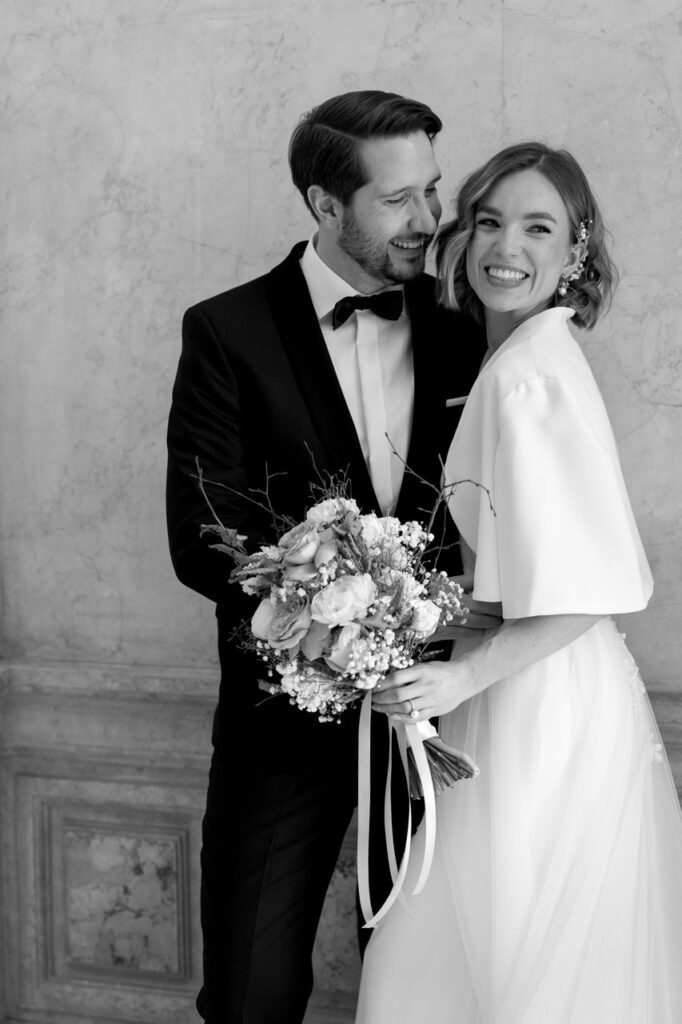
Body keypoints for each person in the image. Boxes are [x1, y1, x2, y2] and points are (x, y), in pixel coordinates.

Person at [166, 90, 488, 1024]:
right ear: (324, 205)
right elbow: (202, 536)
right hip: (281, 727)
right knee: (250, 989)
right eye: (400, 201)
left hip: (442, 721)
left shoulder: (467, 329)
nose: (431, 222)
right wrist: (340, 619)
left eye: (432, 191)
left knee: (423, 987)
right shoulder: (227, 332)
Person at [356, 142, 682, 1023]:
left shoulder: (530, 378)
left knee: (486, 960)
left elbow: (589, 591)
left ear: (576, 250)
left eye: (539, 226)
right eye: (491, 221)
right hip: (533, 690)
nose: (508, 245)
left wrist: (459, 673)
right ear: (461, 239)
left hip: (536, 707)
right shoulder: (522, 359)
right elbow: (521, 585)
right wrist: (392, 602)